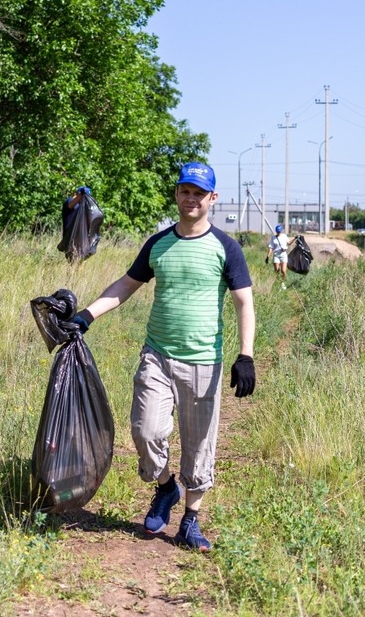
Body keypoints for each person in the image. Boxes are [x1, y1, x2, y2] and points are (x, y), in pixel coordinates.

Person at [69, 162, 255, 552]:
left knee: (199, 445)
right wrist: (87, 315)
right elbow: (125, 285)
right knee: (145, 431)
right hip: (157, 356)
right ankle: (166, 487)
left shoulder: (225, 247)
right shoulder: (158, 243)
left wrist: (246, 355)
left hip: (204, 362)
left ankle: (190, 521)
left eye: (199, 193)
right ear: (177, 194)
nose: (191, 198)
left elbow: (243, 302)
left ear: (212, 199)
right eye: (185, 191)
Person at [265, 224, 293, 290]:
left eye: (279, 231)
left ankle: (282, 283)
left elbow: (289, 243)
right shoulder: (273, 238)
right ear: (276, 231)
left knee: (283, 271)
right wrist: (268, 256)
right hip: (276, 255)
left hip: (283, 255)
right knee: (276, 271)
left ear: (281, 231)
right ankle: (278, 284)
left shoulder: (284, 236)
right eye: (277, 232)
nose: (278, 233)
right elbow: (271, 247)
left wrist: (294, 238)